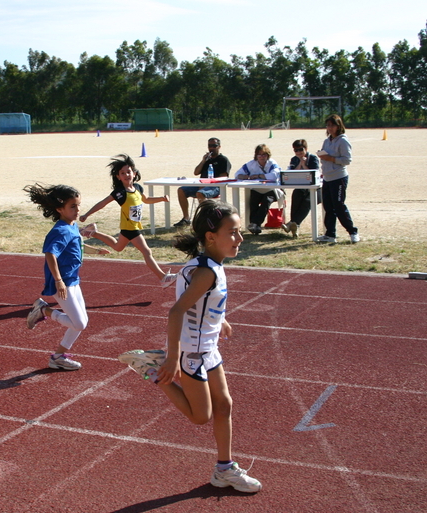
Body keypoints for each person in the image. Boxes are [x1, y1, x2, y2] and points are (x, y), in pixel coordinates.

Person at [118, 199, 262, 493]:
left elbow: (201, 303)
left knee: (225, 405)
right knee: (201, 416)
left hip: (208, 349)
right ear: (211, 237)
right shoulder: (206, 271)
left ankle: (225, 469)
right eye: (232, 232)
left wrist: (219, 319)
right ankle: (153, 370)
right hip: (193, 354)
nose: (239, 238)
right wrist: (173, 358)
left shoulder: (204, 264)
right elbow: (176, 311)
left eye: (239, 231)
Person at [23, 183, 110, 371]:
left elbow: (77, 245)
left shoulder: (72, 225)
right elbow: (50, 254)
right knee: (78, 323)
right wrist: (59, 281)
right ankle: (44, 311)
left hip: (73, 280)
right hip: (63, 284)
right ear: (59, 209)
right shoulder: (60, 231)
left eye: (78, 205)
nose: (78, 210)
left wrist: (95, 251)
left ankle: (58, 356)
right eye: (73, 206)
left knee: (81, 323)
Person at [79, 154, 177, 288]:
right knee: (147, 251)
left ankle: (93, 232)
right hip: (130, 228)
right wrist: (87, 214)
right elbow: (103, 203)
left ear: (134, 173)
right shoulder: (120, 192)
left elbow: (146, 199)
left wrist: (162, 198)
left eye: (128, 172)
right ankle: (163, 277)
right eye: (122, 173)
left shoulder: (137, 188)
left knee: (117, 247)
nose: (126, 175)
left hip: (131, 226)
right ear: (118, 177)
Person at [317, 114, 360, 243]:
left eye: (332, 125)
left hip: (338, 177)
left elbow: (347, 160)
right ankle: (330, 234)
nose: (330, 128)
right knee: (328, 206)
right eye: (328, 125)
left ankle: (353, 232)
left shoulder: (343, 140)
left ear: (338, 126)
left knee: (339, 206)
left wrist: (331, 158)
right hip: (327, 178)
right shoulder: (327, 141)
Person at [173, 138, 231, 227]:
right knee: (181, 190)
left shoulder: (223, 160)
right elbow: (196, 172)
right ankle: (186, 218)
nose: (211, 148)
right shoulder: (207, 159)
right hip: (201, 184)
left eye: (214, 146)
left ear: (219, 147)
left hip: (215, 186)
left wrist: (207, 183)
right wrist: (203, 161)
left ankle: (206, 219)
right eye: (209, 146)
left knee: (200, 193)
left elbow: (223, 177)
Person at [234, 143, 283, 235]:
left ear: (268, 155)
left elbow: (275, 175)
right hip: (257, 189)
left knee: (266, 200)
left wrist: (259, 176)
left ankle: (255, 223)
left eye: (264, 154)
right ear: (256, 155)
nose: (261, 157)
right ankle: (254, 226)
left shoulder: (272, 163)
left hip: (272, 190)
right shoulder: (251, 164)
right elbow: (237, 174)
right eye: (259, 154)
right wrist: (246, 177)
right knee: (253, 201)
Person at [281, 139, 320, 238]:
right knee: (296, 195)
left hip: (316, 189)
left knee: (308, 201)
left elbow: (314, 174)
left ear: (306, 149)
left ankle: (292, 223)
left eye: (300, 150)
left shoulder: (313, 158)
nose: (298, 152)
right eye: (296, 150)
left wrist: (304, 165)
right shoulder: (294, 159)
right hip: (302, 187)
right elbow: (293, 173)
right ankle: (295, 226)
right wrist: (300, 164)